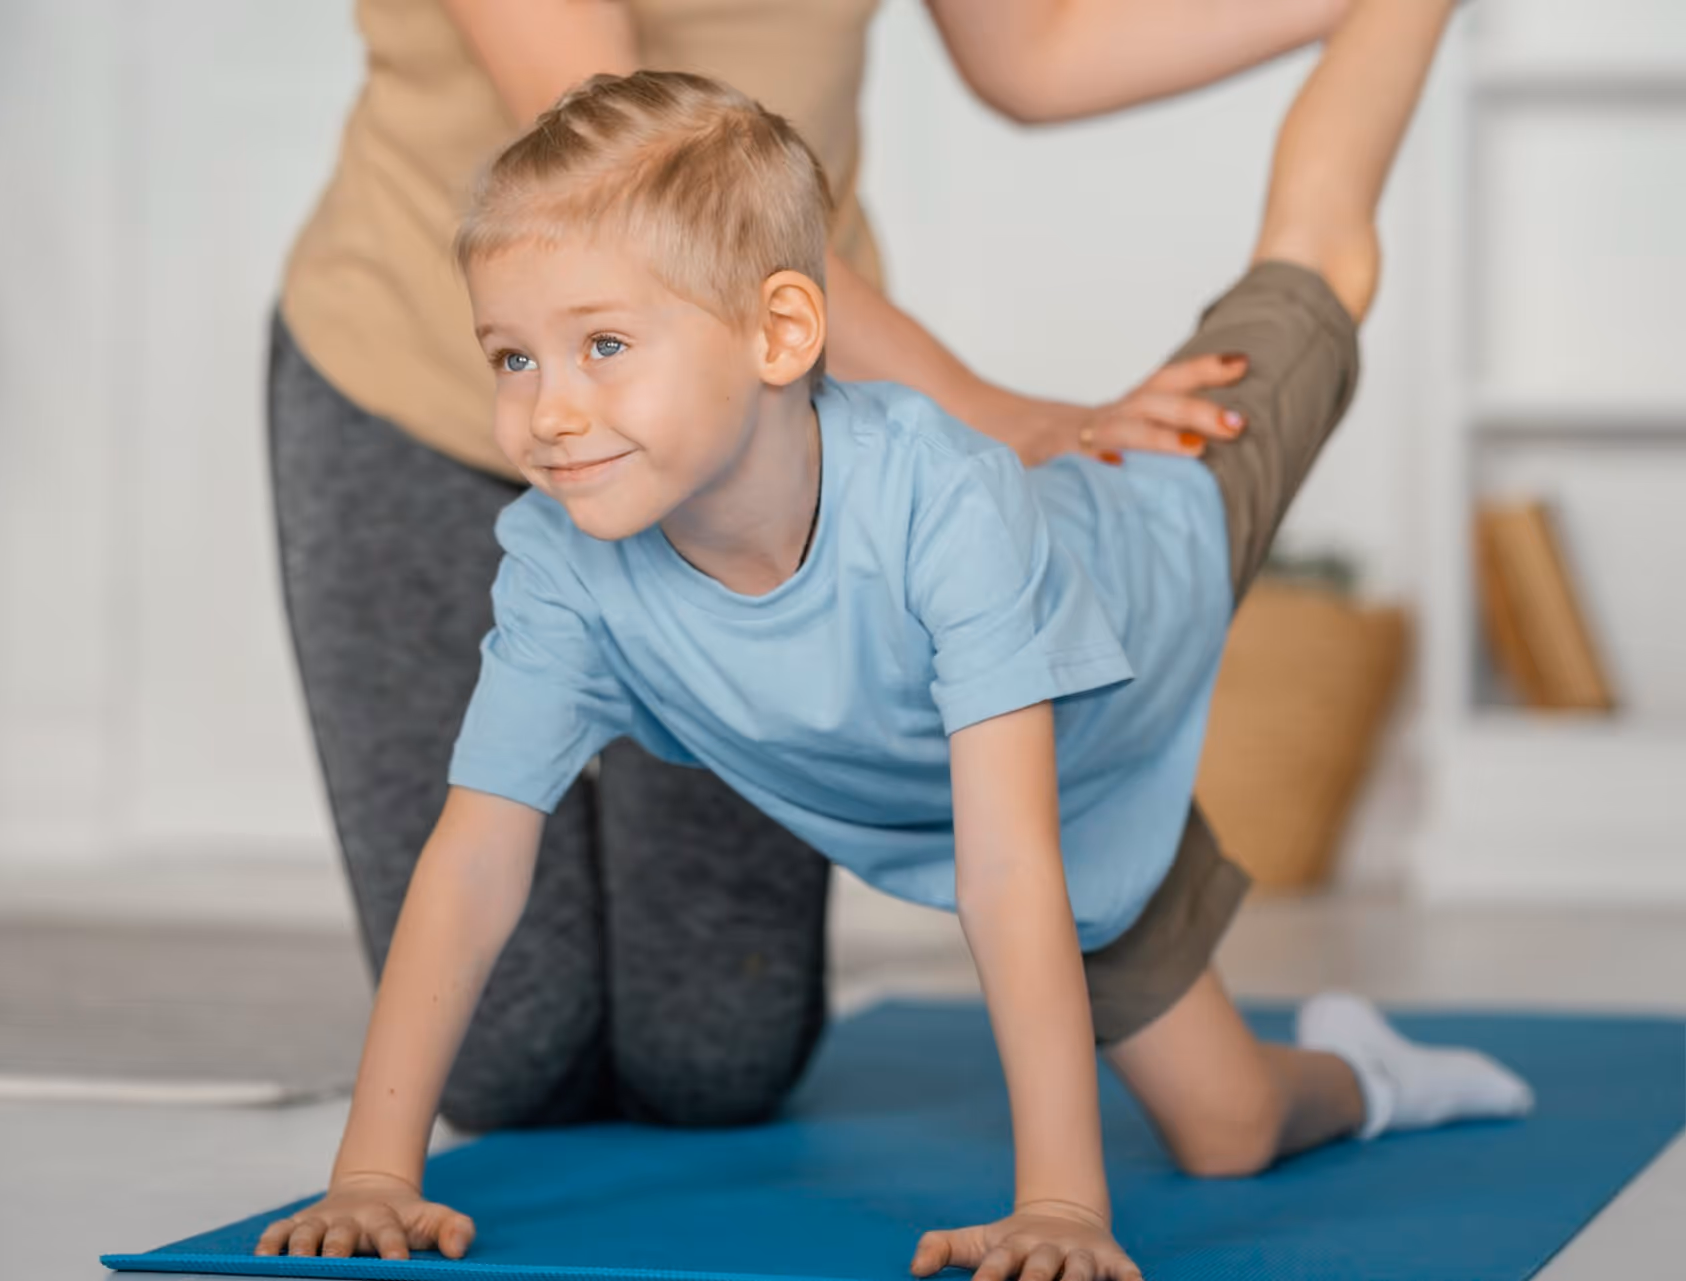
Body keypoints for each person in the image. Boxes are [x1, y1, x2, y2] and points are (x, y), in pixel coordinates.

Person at [259, 2, 1536, 1274]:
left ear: (780, 332)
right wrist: (373, 1176)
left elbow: (1005, 873)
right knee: (1232, 1126)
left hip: (1146, 554)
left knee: (1320, 260)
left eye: (599, 345)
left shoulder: (945, 505)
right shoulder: (565, 558)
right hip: (1049, 786)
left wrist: (1061, 1207)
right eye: (511, 359)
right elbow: (476, 857)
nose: (548, 412)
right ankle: (1364, 1070)